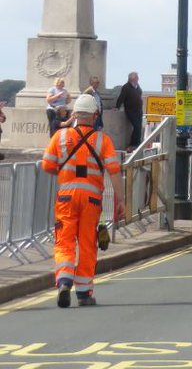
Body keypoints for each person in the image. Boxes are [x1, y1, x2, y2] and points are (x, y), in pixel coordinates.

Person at [40, 93, 125, 308]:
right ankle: (85, 292)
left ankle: (64, 280)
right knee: (87, 244)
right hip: (92, 200)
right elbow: (114, 172)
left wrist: (65, 171)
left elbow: (47, 165)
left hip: (67, 197)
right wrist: (120, 200)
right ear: (95, 115)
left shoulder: (60, 137)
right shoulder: (102, 140)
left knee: (64, 241)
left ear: (75, 114)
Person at [115, 71, 143, 148]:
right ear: (132, 78)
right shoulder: (126, 87)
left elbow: (139, 95)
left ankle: (137, 143)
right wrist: (117, 107)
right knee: (136, 126)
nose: (138, 79)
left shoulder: (137, 87)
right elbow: (121, 98)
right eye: (137, 77)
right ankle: (133, 144)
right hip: (131, 111)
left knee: (139, 127)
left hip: (138, 110)